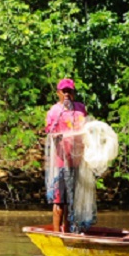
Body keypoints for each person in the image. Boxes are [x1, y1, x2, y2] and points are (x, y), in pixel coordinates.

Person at [45, 78, 88, 233]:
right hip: (60, 163)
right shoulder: (54, 111)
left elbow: (86, 129)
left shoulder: (80, 109)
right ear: (58, 93)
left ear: (74, 92)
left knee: (73, 201)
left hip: (76, 162)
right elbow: (50, 132)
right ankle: (57, 235)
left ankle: (69, 231)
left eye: (69, 91)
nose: (67, 94)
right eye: (64, 91)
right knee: (59, 201)